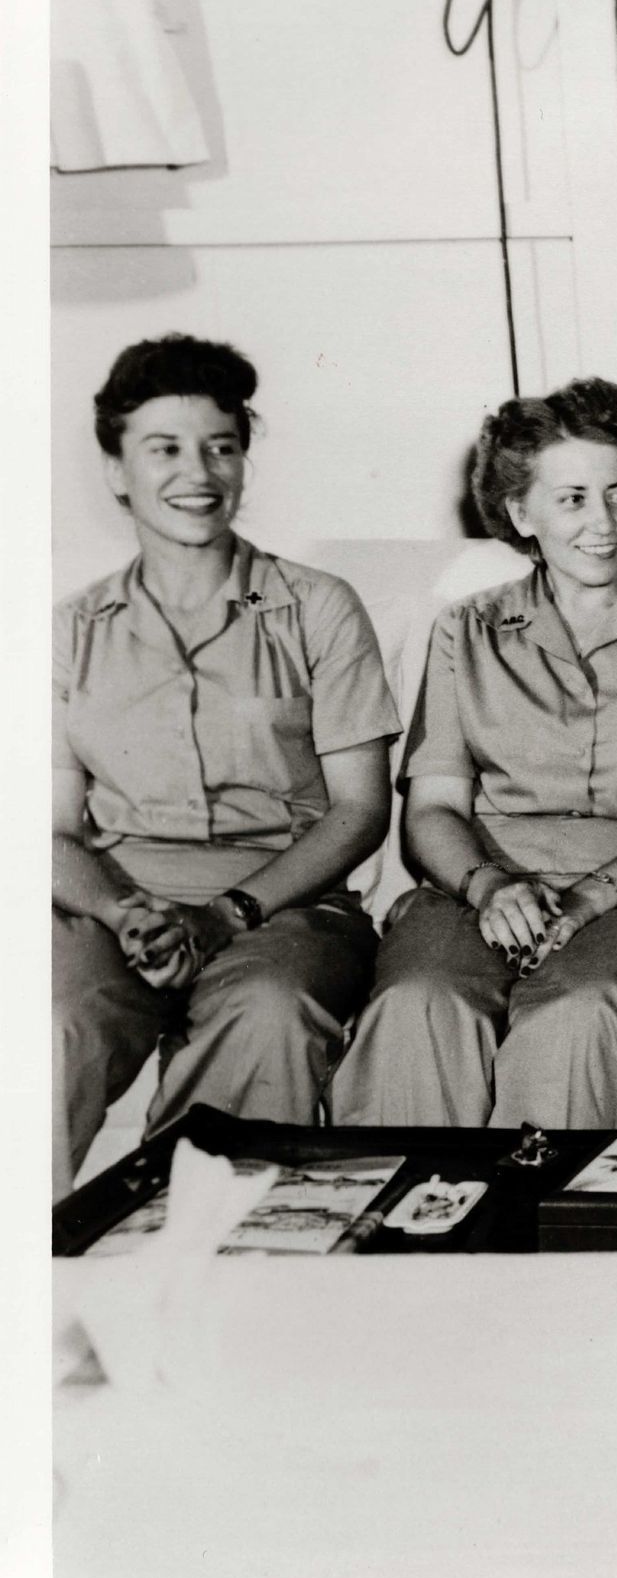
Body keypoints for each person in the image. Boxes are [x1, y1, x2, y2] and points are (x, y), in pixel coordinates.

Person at [329, 378, 617, 1130]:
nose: (604, 523)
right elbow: (434, 808)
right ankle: (411, 1237)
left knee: (581, 1010)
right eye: (573, 498)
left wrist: (590, 896)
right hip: (481, 885)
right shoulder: (467, 630)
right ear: (522, 512)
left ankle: (568, 1233)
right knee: (419, 1002)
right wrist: (489, 888)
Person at [54, 336, 398, 1197]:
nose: (197, 471)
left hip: (280, 907)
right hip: (113, 905)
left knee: (270, 1015)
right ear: (115, 469)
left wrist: (223, 916)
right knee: (47, 1021)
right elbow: (47, 831)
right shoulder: (70, 630)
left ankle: (192, 1265)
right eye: (163, 448)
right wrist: (123, 912)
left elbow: (358, 812)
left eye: (221, 445)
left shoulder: (316, 607)